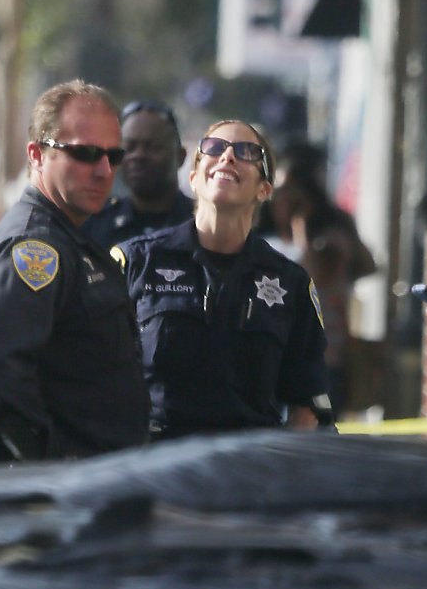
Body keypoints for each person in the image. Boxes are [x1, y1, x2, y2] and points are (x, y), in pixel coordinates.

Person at [0, 80, 149, 464]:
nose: (103, 170)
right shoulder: (34, 248)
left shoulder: (70, 241)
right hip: (54, 498)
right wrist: (49, 469)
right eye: (84, 153)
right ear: (37, 154)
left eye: (113, 156)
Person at [116, 118, 333, 438]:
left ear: (265, 188)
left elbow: (307, 402)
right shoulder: (136, 262)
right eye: (215, 148)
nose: (228, 157)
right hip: (153, 467)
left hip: (246, 471)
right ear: (193, 177)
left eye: (247, 152)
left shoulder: (291, 284)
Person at [267, 143, 376, 415]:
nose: (280, 199)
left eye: (288, 192)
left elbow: (306, 278)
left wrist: (301, 227)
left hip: (324, 357)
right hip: (274, 355)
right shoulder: (266, 235)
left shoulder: (330, 237)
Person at [84, 99, 192, 249]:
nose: (138, 156)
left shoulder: (201, 225)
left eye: (153, 147)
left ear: (181, 156)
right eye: (129, 147)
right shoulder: (93, 224)